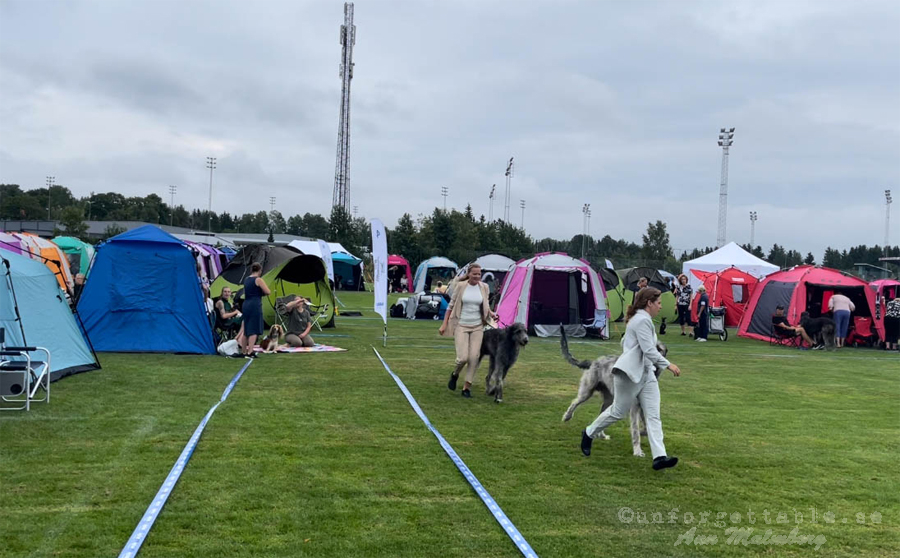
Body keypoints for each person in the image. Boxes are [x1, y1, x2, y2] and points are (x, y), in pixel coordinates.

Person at [580, 287, 682, 470]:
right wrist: (668, 365)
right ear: (649, 303)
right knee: (617, 412)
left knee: (653, 416)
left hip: (647, 374)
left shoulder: (641, 320)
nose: (660, 306)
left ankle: (659, 457)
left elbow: (626, 343)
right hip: (630, 375)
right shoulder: (641, 320)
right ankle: (588, 433)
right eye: (658, 303)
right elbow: (649, 350)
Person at [439, 263, 497, 398]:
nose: (477, 276)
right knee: (462, 358)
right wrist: (444, 324)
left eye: (479, 274)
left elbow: (485, 306)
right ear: (469, 274)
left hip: (477, 327)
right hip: (461, 325)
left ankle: (467, 387)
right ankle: (455, 374)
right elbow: (450, 306)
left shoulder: (484, 287)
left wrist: (492, 314)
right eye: (474, 273)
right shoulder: (460, 286)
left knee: (474, 358)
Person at [240, 262, 270, 357]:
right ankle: (250, 351)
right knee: (254, 329)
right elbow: (268, 291)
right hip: (255, 304)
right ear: (260, 271)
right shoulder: (258, 280)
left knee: (246, 329)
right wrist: (261, 293)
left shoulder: (246, 279)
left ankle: (244, 351)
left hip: (246, 304)